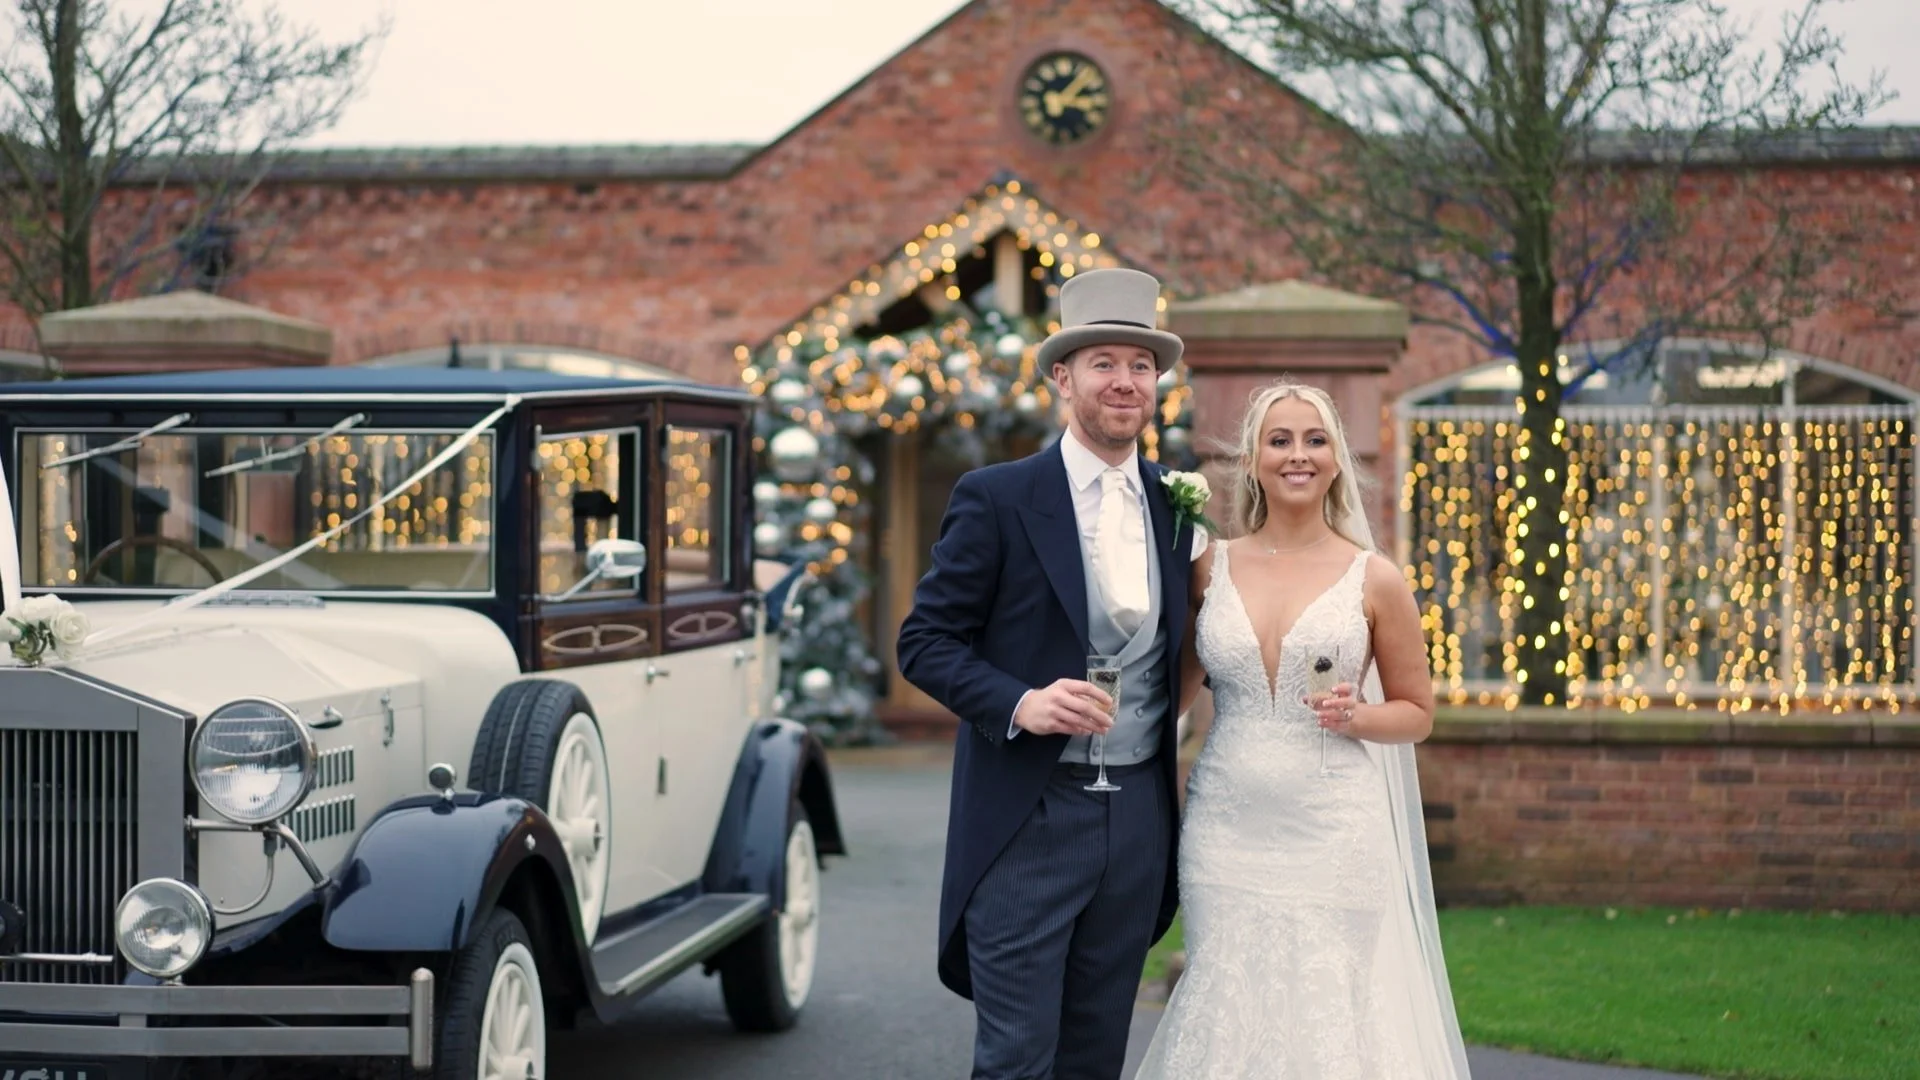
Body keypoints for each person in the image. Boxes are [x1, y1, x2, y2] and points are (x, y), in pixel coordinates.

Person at [896, 267, 1203, 1080]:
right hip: (1028, 814)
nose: (1125, 381)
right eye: (1104, 362)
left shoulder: (1178, 505)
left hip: (1138, 812)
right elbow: (924, 641)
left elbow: (1196, 647)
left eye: (1141, 365)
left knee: (1096, 1054)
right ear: (1063, 376)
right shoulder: (995, 498)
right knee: (1016, 1060)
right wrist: (1021, 701)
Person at [1132, 379, 1473, 1079]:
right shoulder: (1208, 567)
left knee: (1327, 1009)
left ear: (1337, 459)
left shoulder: (1374, 579)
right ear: (1253, 460)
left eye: (1315, 440)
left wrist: (1359, 715)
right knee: (1227, 998)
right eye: (1279, 440)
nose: (1298, 455)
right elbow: (1168, 693)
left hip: (1333, 829)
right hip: (1226, 830)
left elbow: (1417, 712)